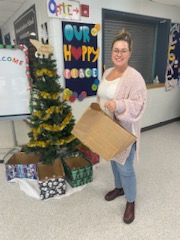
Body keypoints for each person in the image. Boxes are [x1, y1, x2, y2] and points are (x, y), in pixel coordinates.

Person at [97, 28, 147, 224]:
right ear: (111, 52)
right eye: (116, 50)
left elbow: (139, 105)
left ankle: (131, 200)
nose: (119, 54)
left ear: (129, 53)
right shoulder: (108, 72)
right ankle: (119, 188)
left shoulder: (135, 78)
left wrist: (118, 105)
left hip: (124, 132)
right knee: (113, 161)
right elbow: (102, 95)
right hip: (107, 127)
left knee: (126, 167)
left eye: (123, 50)